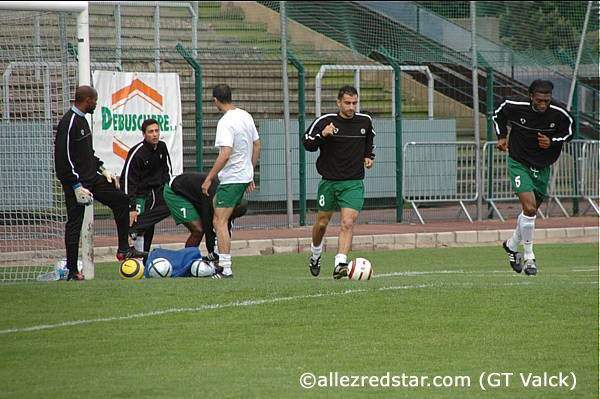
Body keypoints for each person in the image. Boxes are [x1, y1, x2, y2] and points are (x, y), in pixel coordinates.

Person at [54, 86, 145, 281]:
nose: (96, 103)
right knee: (75, 224)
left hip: (93, 179)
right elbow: (63, 159)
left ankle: (123, 249)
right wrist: (75, 185)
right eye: (95, 100)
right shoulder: (69, 122)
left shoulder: (83, 121)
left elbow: (87, 154)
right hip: (77, 183)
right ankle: (71, 270)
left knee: (121, 200)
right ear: (87, 100)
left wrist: (103, 170)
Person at [493, 79, 573, 276]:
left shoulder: (559, 113)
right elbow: (497, 114)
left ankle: (511, 245)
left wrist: (552, 141)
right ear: (531, 97)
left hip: (543, 166)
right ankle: (529, 257)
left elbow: (569, 132)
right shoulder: (514, 105)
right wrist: (502, 136)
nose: (543, 105)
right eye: (539, 100)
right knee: (529, 208)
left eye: (546, 100)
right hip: (518, 162)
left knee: (530, 214)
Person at [303, 85, 375, 279]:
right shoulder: (326, 121)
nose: (351, 107)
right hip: (329, 183)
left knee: (347, 222)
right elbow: (307, 143)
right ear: (338, 103)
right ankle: (315, 255)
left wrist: (369, 155)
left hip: (353, 183)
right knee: (322, 224)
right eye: (347, 103)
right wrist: (323, 134)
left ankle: (340, 264)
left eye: (354, 103)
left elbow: (369, 138)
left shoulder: (365, 121)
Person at [201, 84, 260, 279]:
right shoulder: (245, 115)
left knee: (220, 221)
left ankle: (225, 268)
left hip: (233, 178)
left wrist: (209, 178)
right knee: (217, 210)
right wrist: (250, 172)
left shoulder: (225, 122)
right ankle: (219, 257)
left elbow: (225, 154)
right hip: (241, 176)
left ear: (215, 100)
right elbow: (256, 144)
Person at [119, 118, 173, 261]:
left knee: (150, 225)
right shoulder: (137, 153)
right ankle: (134, 262)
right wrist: (130, 207)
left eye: (156, 131)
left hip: (157, 193)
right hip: (139, 195)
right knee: (138, 227)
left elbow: (166, 171)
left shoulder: (162, 147)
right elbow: (127, 181)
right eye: (151, 132)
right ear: (144, 134)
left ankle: (145, 259)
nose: (155, 134)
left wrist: (167, 188)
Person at [163, 172, 247, 259]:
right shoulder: (214, 201)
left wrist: (221, 255)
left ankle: (193, 259)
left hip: (195, 194)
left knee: (212, 226)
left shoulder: (229, 201)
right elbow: (209, 227)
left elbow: (226, 229)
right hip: (175, 191)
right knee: (198, 230)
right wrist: (212, 254)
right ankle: (186, 261)